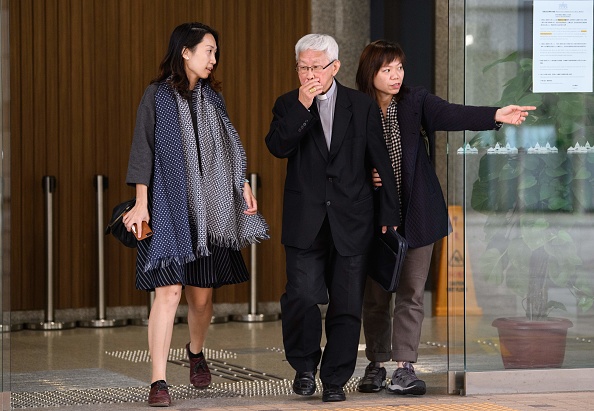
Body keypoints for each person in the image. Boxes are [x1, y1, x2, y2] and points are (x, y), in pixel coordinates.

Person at [355, 40, 535, 396]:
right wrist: (366, 175)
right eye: (386, 69)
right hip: (375, 217)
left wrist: (496, 114)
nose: (395, 76)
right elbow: (342, 156)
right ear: (370, 73)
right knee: (375, 295)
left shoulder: (415, 101)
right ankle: (375, 363)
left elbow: (453, 114)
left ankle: (405, 367)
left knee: (411, 293)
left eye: (399, 68)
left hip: (418, 214)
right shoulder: (356, 107)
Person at [124, 22, 269, 407]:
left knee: (201, 301)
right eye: (208, 51)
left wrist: (242, 183)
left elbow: (229, 146)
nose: (213, 59)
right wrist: (141, 202)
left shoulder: (213, 100)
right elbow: (143, 149)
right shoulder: (155, 96)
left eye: (215, 53)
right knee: (168, 292)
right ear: (185, 52)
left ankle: (195, 351)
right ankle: (158, 381)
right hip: (169, 208)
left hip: (208, 213)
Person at [265, 34, 400, 403]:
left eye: (316, 68)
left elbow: (380, 160)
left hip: (352, 219)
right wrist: (303, 104)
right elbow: (277, 146)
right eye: (303, 68)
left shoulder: (361, 106)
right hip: (305, 220)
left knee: (345, 303)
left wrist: (388, 212)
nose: (309, 75)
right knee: (302, 296)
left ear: (335, 67)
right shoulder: (287, 104)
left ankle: (336, 378)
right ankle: (305, 366)